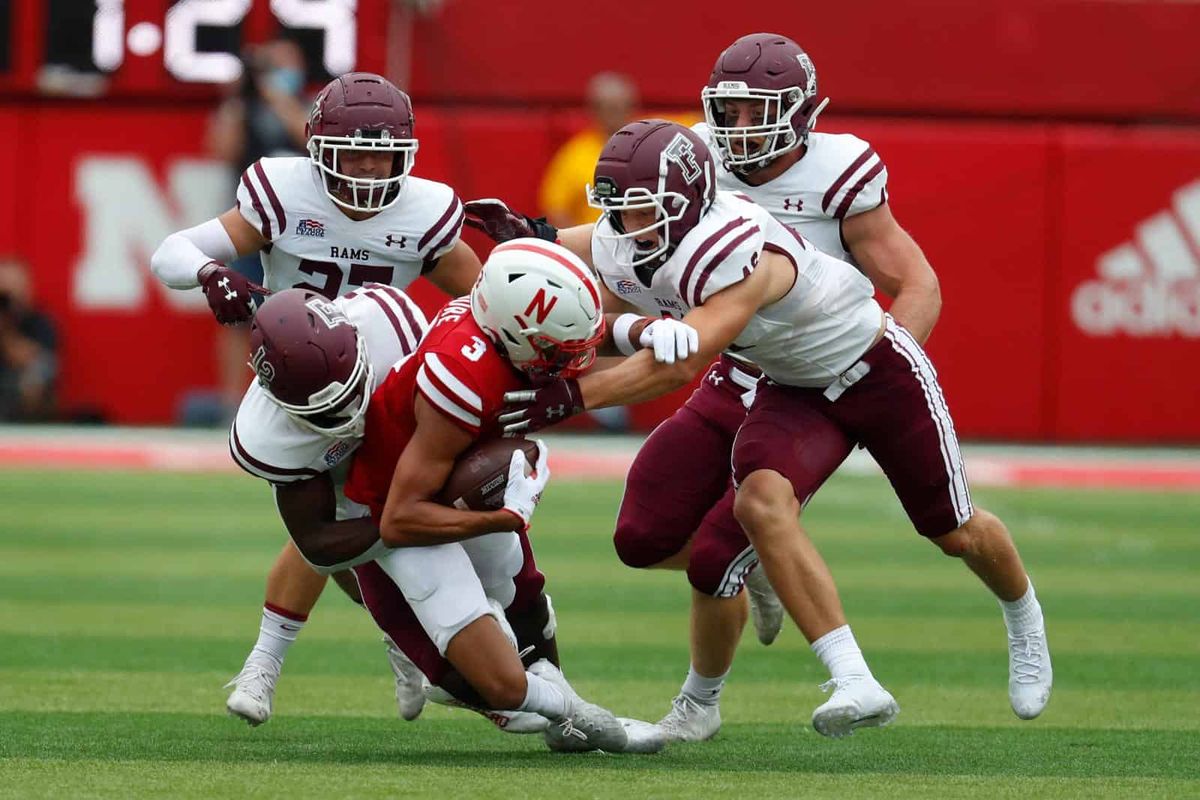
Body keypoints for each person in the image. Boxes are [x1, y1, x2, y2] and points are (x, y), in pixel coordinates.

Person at [493, 120, 1052, 738]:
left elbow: (678, 361)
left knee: (953, 530)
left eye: (641, 211)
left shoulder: (732, 249)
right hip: (791, 387)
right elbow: (587, 244)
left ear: (681, 205)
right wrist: (523, 236)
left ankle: (1023, 616)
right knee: (758, 505)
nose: (626, 227)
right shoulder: (641, 228)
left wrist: (559, 398)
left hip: (878, 371)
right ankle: (852, 681)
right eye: (621, 213)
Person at [150, 71, 483, 724]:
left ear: (405, 153)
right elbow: (173, 250)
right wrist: (212, 273)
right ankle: (395, 644)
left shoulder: (426, 211)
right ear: (316, 150)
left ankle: (267, 666)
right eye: (349, 152)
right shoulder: (282, 192)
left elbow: (479, 300)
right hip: (300, 382)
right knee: (335, 537)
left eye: (378, 152)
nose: (363, 168)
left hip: (388, 381)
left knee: (343, 530)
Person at [341, 239, 687, 753]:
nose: (574, 366)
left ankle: (562, 715)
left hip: (452, 485)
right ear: (516, 338)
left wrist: (643, 329)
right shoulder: (458, 379)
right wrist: (504, 517)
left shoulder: (495, 321)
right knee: (499, 688)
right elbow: (399, 519)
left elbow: (583, 336)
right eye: (556, 355)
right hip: (391, 520)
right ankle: (574, 714)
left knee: (528, 601)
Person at [192, 37, 314, 427]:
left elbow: (307, 137)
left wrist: (278, 97)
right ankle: (231, 404)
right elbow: (221, 151)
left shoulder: (314, 105)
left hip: (303, 228)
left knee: (304, 313)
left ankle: (305, 398)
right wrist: (236, 101)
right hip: (253, 224)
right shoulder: (244, 110)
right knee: (235, 313)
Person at [539, 72, 640, 230]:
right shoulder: (575, 154)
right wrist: (582, 245)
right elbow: (556, 209)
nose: (615, 115)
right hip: (593, 244)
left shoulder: (649, 147)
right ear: (594, 110)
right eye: (609, 108)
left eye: (620, 107)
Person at [0, 259, 58, 422]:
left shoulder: (39, 323)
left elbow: (33, 358)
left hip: (19, 395)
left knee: (40, 370)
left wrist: (5, 331)